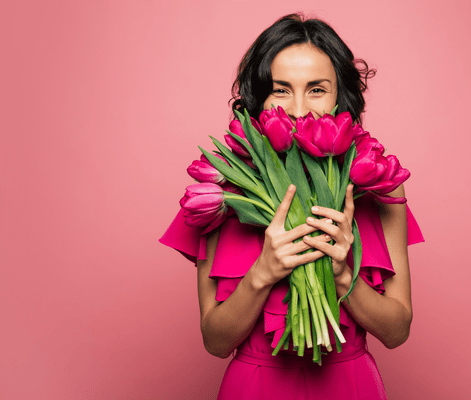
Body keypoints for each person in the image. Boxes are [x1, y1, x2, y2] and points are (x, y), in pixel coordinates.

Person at [160, 13, 424, 400]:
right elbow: (215, 341)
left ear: (341, 97)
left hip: (350, 386)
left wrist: (342, 276)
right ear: (258, 97)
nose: (298, 110)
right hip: (256, 388)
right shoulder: (221, 194)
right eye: (281, 90)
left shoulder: (378, 186)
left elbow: (397, 331)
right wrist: (262, 273)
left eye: (317, 89)